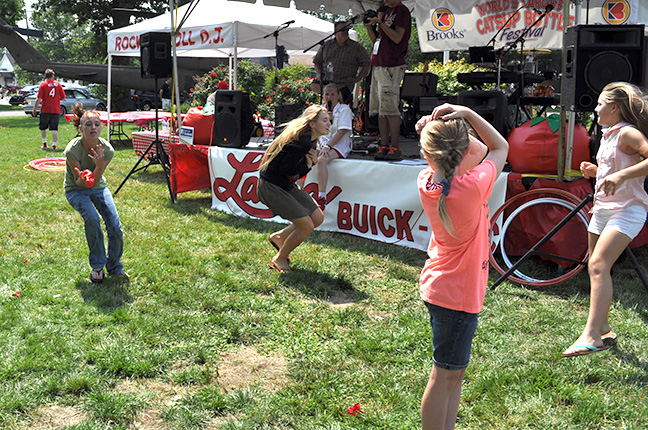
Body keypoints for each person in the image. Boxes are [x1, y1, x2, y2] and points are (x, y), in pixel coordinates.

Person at [416, 104, 508, 430]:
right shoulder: (472, 186)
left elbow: (477, 151)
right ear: (463, 151)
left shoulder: (427, 181)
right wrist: (466, 113)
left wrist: (437, 129)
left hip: (444, 289)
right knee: (445, 375)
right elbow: (497, 147)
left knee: (453, 373)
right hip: (458, 295)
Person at [562, 82, 648, 358]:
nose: (596, 108)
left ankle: (591, 336)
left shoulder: (628, 133)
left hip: (628, 210)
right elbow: (617, 168)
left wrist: (620, 176)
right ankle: (604, 328)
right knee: (595, 266)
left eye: (600, 104)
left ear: (614, 107)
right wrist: (597, 171)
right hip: (603, 209)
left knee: (599, 265)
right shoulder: (609, 135)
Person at [257, 105, 330, 273]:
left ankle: (279, 237)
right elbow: (288, 172)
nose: (328, 124)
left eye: (329, 120)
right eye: (324, 120)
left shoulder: (308, 139)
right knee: (306, 226)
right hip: (272, 186)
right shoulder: (302, 143)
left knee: (317, 218)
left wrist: (307, 163)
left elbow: (288, 172)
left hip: (283, 184)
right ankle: (280, 259)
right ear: (312, 123)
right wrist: (308, 164)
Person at [64, 104, 127, 283]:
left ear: (102, 127)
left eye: (97, 124)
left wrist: (99, 166)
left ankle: (114, 266)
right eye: (88, 124)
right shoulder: (72, 149)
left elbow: (96, 180)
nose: (93, 128)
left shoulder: (107, 150)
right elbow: (79, 182)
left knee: (114, 225)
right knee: (92, 219)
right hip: (76, 190)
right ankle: (98, 267)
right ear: (80, 128)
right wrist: (90, 171)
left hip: (98, 187)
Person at [363, 0, 411, 161]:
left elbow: (397, 38)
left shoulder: (401, 11)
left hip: (392, 65)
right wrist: (370, 25)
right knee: (381, 109)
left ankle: (395, 146)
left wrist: (381, 22)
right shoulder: (387, 11)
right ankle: (384, 144)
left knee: (391, 108)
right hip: (379, 65)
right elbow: (376, 40)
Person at [312, 20, 371, 106]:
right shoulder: (326, 45)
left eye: (347, 29)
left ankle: (333, 99)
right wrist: (319, 74)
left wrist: (358, 77)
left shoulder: (356, 47)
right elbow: (317, 62)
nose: (345, 32)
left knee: (338, 98)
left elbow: (367, 64)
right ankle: (330, 96)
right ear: (335, 32)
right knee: (314, 86)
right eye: (343, 30)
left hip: (343, 84)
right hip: (326, 80)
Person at [316, 83, 354, 210]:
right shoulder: (320, 109)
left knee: (322, 160)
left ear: (338, 96)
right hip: (321, 141)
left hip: (339, 144)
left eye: (332, 94)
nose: (329, 97)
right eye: (327, 94)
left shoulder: (344, 109)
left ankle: (322, 197)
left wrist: (328, 147)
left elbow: (342, 131)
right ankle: (298, 191)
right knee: (304, 155)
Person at [33, 68, 65, 150]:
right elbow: (63, 97)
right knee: (54, 128)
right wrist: (56, 99)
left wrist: (34, 109)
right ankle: (54, 145)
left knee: (43, 127)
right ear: (53, 76)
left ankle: (44, 143)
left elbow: (39, 98)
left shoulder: (43, 85)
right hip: (56, 109)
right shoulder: (58, 84)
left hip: (45, 109)